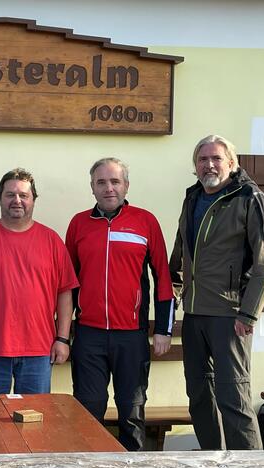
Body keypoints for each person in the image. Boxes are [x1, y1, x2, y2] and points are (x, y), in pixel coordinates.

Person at [169, 134, 264, 450]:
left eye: (216, 158)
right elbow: (182, 248)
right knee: (199, 396)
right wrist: (175, 288)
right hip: (194, 314)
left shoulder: (250, 198)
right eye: (202, 159)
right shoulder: (192, 198)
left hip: (230, 315)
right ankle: (213, 462)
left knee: (233, 398)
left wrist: (249, 312)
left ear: (231, 163)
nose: (209, 165)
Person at [65, 157, 175, 451]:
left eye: (115, 182)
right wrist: (62, 333)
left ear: (126, 185)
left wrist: (163, 330)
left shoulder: (145, 221)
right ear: (92, 188)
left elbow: (163, 277)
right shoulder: (78, 224)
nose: (109, 188)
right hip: (89, 334)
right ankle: (88, 467)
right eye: (101, 182)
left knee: (132, 408)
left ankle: (133, 466)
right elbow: (67, 283)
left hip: (132, 334)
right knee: (89, 407)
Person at [0, 168, 79, 394]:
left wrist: (62, 338)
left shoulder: (51, 240)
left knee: (35, 423)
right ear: (0, 198)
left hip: (38, 350)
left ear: (33, 200)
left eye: (24, 195)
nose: (17, 200)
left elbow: (64, 292)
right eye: (10, 194)